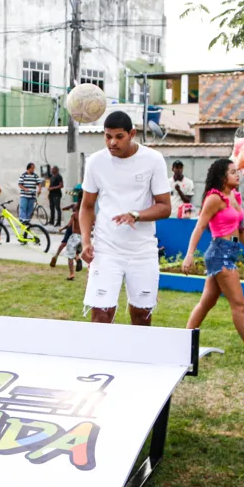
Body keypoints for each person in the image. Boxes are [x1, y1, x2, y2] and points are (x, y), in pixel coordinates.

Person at [183, 158, 244, 363]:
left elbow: (239, 230)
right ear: (222, 176)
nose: (238, 175)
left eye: (237, 171)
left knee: (206, 302)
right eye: (232, 172)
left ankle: (183, 341)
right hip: (220, 254)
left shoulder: (234, 196)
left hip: (230, 251)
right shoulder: (214, 199)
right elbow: (200, 227)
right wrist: (190, 254)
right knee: (239, 304)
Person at [80, 110, 171, 326]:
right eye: (107, 136)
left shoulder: (153, 160)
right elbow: (86, 206)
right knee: (101, 314)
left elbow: (165, 207)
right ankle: (100, 360)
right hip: (106, 249)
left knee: (141, 315)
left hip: (142, 251)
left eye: (118, 136)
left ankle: (138, 358)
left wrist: (136, 215)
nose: (112, 142)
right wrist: (85, 241)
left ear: (132, 133)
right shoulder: (95, 162)